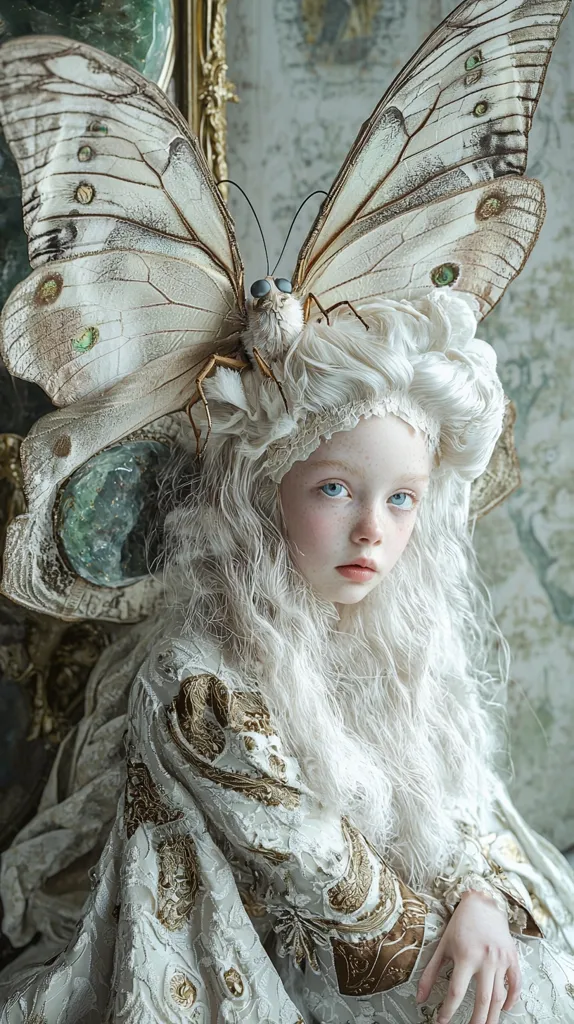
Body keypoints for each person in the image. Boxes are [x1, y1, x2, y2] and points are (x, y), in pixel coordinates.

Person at [2, 291, 574, 1024]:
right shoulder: (200, 681)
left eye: (402, 499)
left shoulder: (389, 640)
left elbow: (470, 806)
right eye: (335, 490)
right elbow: (334, 888)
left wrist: (482, 900)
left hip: (409, 932)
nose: (373, 529)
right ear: (264, 491)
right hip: (296, 960)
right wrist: (469, 949)